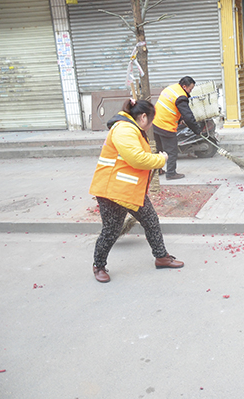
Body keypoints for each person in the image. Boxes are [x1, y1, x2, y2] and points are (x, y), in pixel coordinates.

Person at [89, 99, 184, 283]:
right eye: (150, 122)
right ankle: (98, 266)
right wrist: (160, 160)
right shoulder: (124, 129)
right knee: (111, 230)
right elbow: (137, 159)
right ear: (143, 117)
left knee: (151, 221)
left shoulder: (132, 129)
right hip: (111, 191)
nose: (150, 127)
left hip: (128, 190)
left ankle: (161, 257)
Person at [153, 76, 202, 180]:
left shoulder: (171, 88)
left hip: (155, 122)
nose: (190, 92)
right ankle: (171, 173)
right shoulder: (181, 97)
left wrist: (179, 119)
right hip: (166, 125)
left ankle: (158, 169)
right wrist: (197, 130)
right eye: (190, 89)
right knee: (172, 151)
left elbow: (170, 106)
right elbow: (188, 116)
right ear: (184, 87)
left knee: (160, 149)